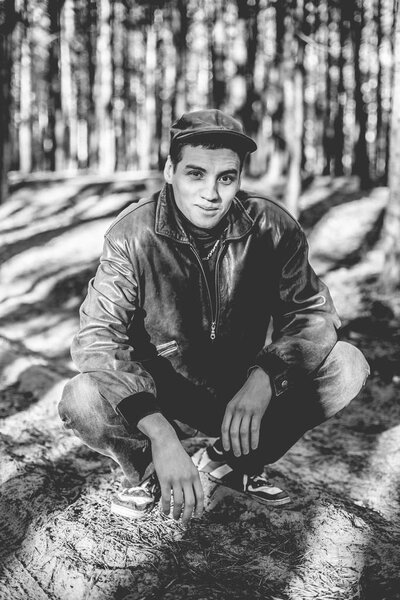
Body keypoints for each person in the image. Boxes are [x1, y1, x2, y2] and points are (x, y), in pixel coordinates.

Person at [59, 109, 370, 525]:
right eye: (195, 174)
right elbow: (98, 338)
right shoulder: (132, 235)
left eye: (226, 177)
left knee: (347, 364)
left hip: (238, 389)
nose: (211, 193)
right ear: (170, 171)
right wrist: (160, 433)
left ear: (239, 179)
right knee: (81, 396)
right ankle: (146, 470)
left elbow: (312, 313)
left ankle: (229, 462)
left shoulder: (272, 227)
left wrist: (265, 377)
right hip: (160, 390)